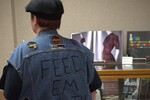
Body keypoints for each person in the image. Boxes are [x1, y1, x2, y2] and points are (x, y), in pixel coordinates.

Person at [0, 0, 101, 100]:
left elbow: (8, 96)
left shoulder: (21, 54)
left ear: (34, 19)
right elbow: (92, 92)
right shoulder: (82, 51)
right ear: (59, 21)